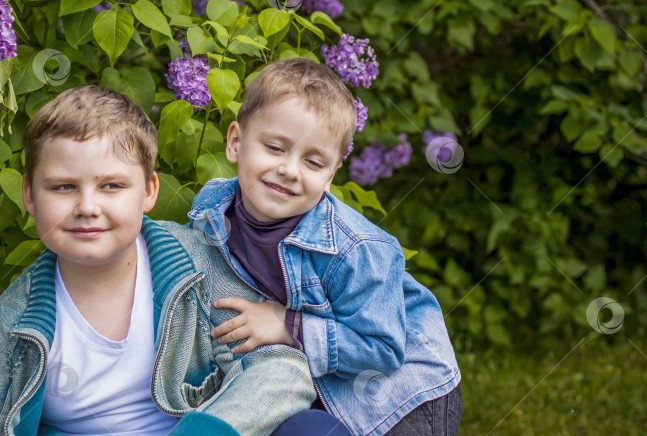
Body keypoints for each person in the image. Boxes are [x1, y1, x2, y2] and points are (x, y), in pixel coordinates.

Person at [0, 85, 316, 436]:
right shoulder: (11, 324)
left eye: (112, 186)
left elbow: (280, 368)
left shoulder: (196, 268)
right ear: (29, 194)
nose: (87, 208)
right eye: (63, 187)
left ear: (149, 191)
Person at [188, 58, 462, 436]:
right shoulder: (212, 210)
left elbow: (382, 349)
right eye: (275, 147)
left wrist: (288, 325)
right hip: (308, 385)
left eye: (313, 162)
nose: (290, 169)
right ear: (236, 142)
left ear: (330, 178)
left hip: (400, 396)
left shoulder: (357, 249)